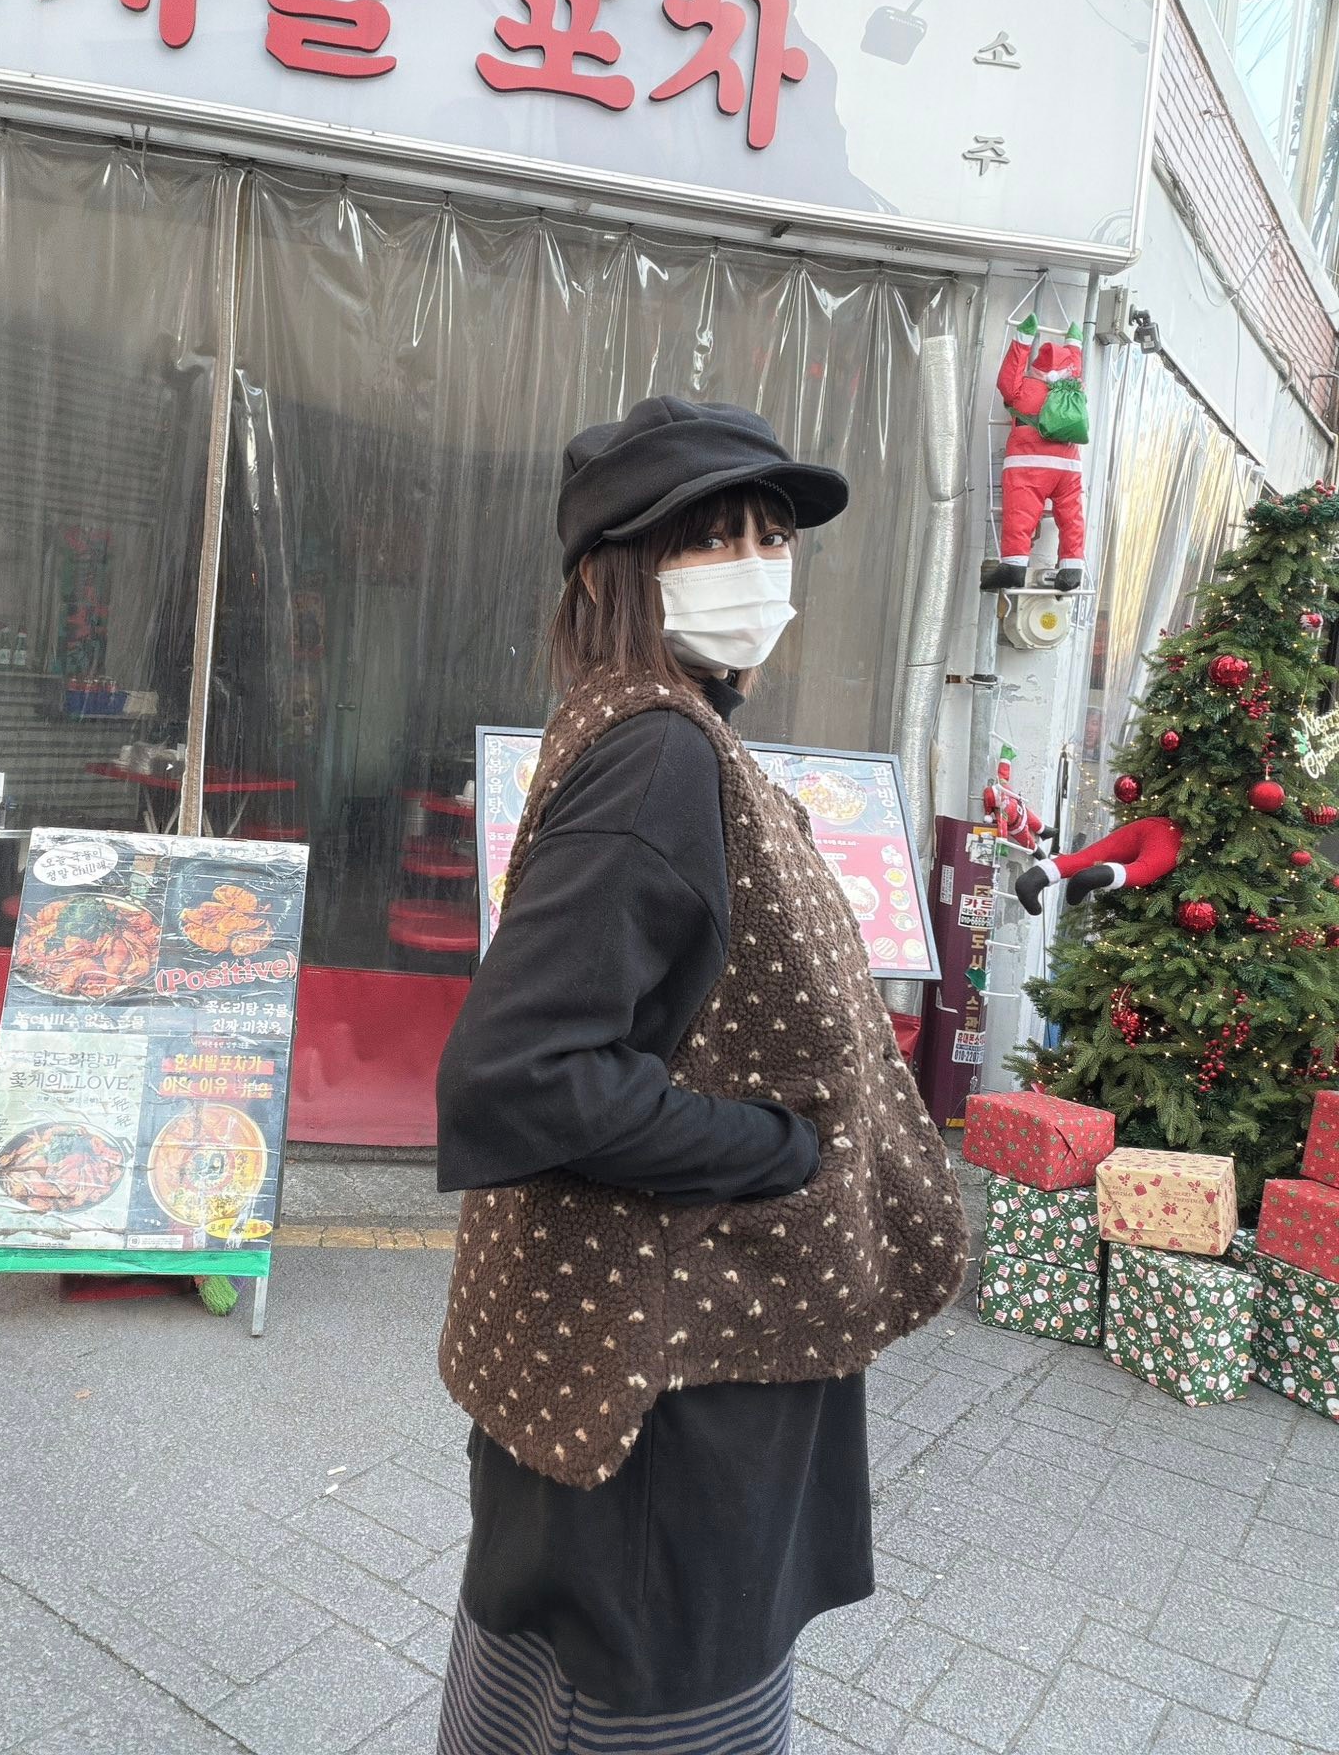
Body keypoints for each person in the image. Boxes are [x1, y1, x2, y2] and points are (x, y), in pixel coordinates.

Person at [434, 397, 969, 1754]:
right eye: (710, 538)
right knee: (647, 1704)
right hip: (666, 1379)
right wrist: (776, 1150)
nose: (755, 568)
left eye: (770, 536)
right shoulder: (658, 754)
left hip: (675, 1347)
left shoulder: (652, 729)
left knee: (560, 1692)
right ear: (618, 570)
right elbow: (518, 1072)